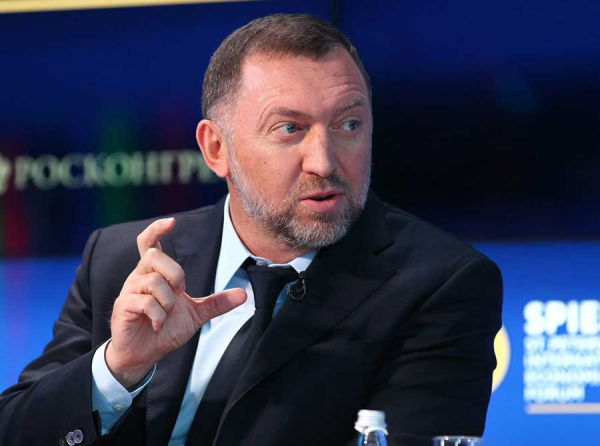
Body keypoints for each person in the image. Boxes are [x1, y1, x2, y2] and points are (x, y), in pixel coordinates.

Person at [0, 13, 502, 446]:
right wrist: (117, 370)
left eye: (349, 124)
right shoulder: (123, 259)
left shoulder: (440, 284)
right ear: (216, 149)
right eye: (290, 129)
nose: (324, 161)